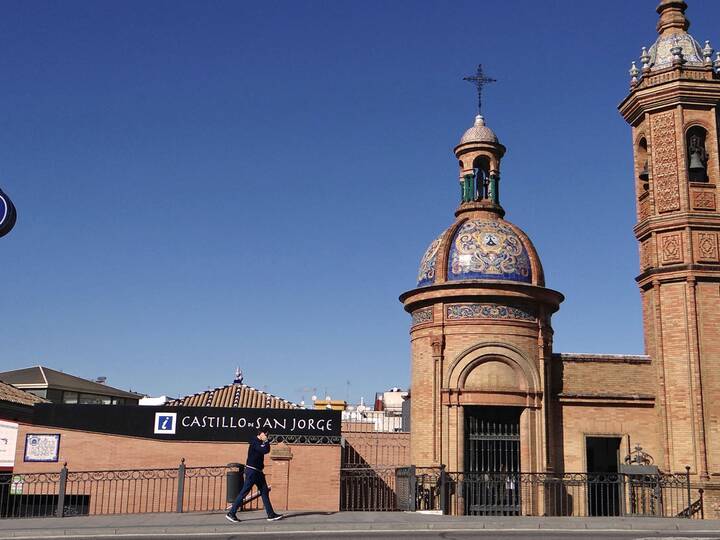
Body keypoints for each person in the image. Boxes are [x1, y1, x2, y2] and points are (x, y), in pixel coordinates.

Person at [226, 427, 283, 523]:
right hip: (252, 471)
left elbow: (266, 449)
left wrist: (265, 442)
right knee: (244, 492)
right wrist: (266, 442)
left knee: (264, 491)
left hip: (258, 472)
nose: (267, 436)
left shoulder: (260, 442)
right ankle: (231, 513)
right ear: (261, 434)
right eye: (266, 434)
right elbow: (265, 450)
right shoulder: (255, 441)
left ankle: (270, 514)